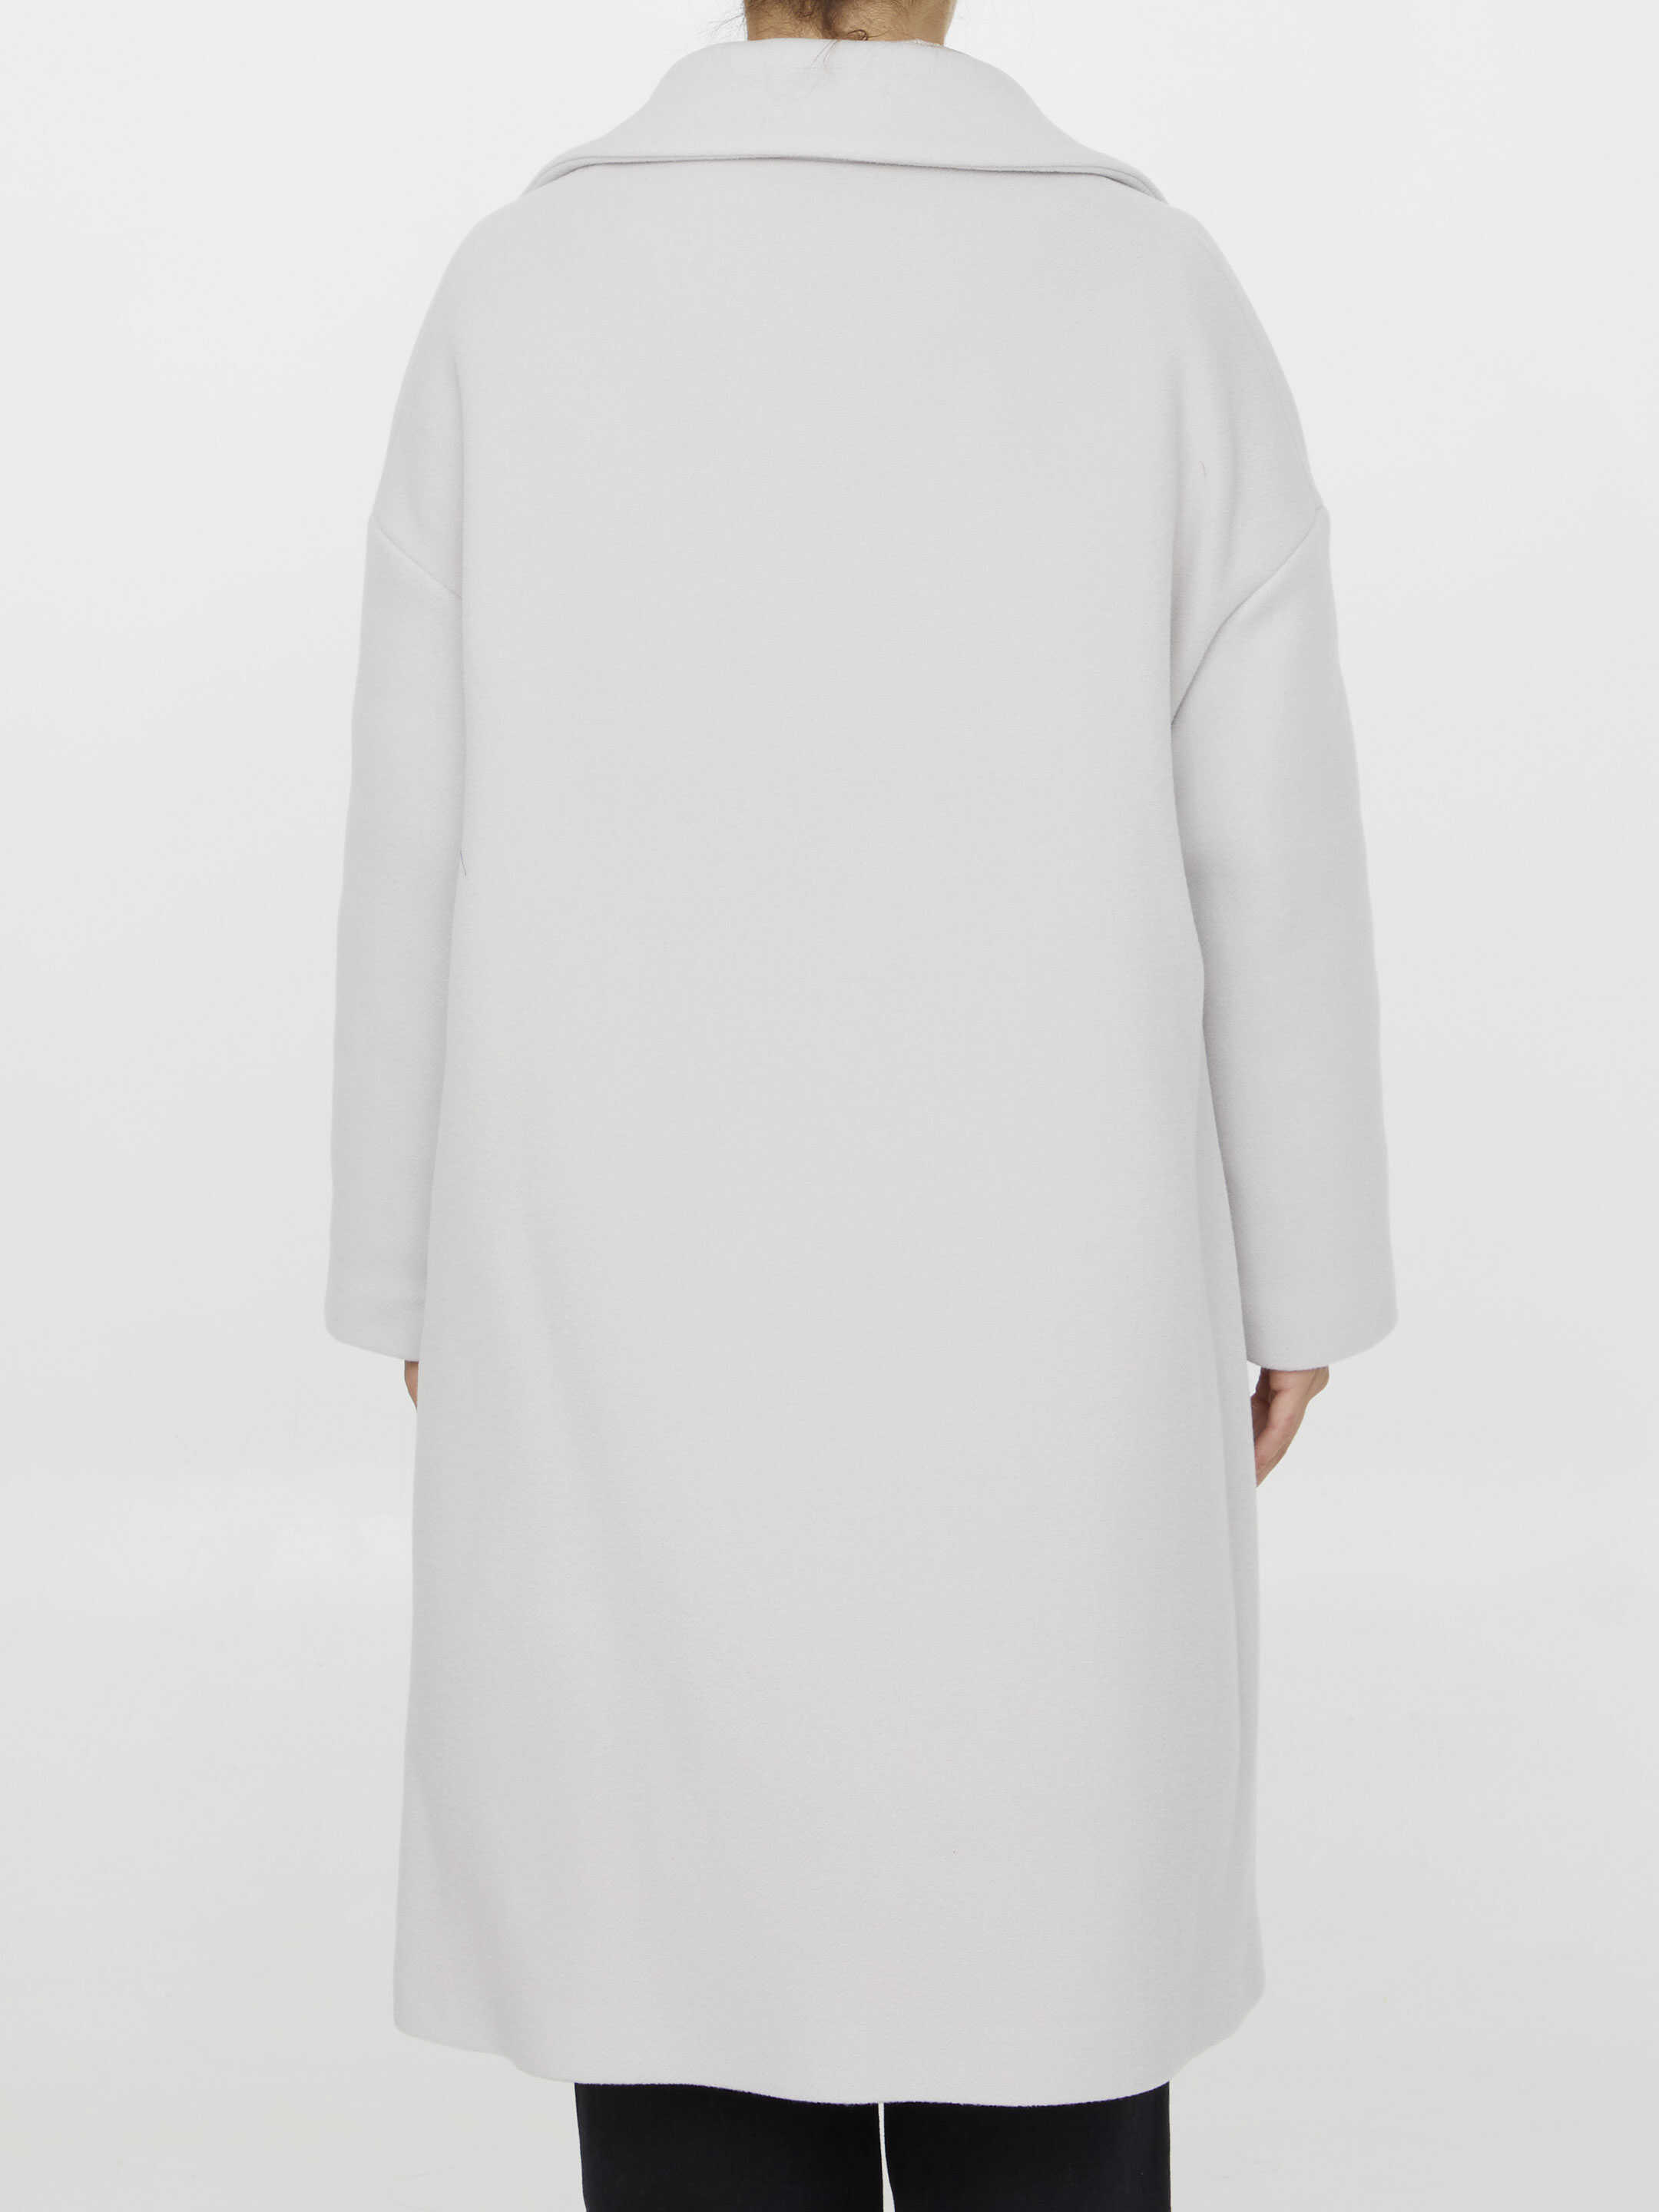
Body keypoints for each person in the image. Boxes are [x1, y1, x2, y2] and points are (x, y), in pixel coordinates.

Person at [326, 1, 1395, 2202]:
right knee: (1053, 1952)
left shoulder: (518, 299)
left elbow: (415, 823)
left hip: (626, 1308)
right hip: (1053, 1324)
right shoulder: (1150, 296)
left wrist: (409, 1268)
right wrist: (1303, 1268)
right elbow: (1267, 839)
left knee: (674, 1956)